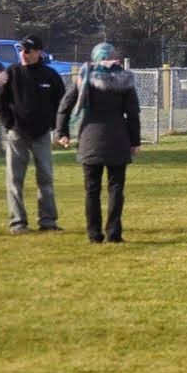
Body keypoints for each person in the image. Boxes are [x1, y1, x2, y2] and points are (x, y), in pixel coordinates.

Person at [56, 42, 141, 244]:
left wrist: (62, 131)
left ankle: (94, 235)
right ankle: (114, 234)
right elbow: (133, 114)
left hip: (89, 139)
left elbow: (65, 105)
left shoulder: (83, 77)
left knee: (92, 191)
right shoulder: (125, 80)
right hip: (118, 140)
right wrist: (135, 141)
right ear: (114, 58)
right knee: (116, 189)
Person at [0, 35, 65, 233]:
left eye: (28, 50)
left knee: (46, 178)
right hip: (17, 134)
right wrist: (9, 124)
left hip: (41, 135)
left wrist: (53, 125)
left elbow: (62, 104)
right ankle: (18, 223)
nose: (23, 54)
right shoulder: (12, 72)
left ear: (39, 52)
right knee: (15, 180)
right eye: (21, 50)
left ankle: (48, 221)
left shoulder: (50, 75)